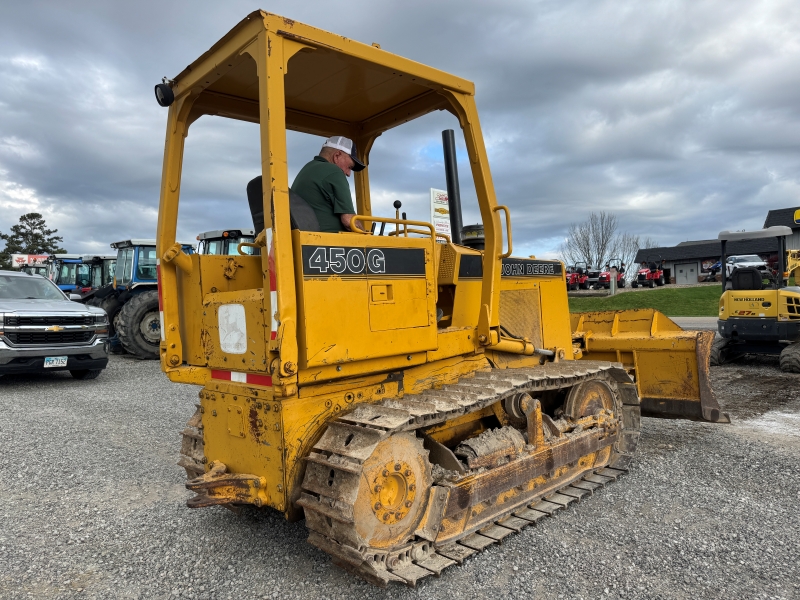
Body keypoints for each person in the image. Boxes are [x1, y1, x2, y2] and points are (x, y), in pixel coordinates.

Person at [291, 136, 366, 233]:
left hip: (307, 241)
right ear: (337, 156)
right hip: (330, 242)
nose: (348, 173)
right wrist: (367, 236)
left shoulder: (308, 168)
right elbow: (349, 221)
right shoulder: (334, 171)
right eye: (349, 167)